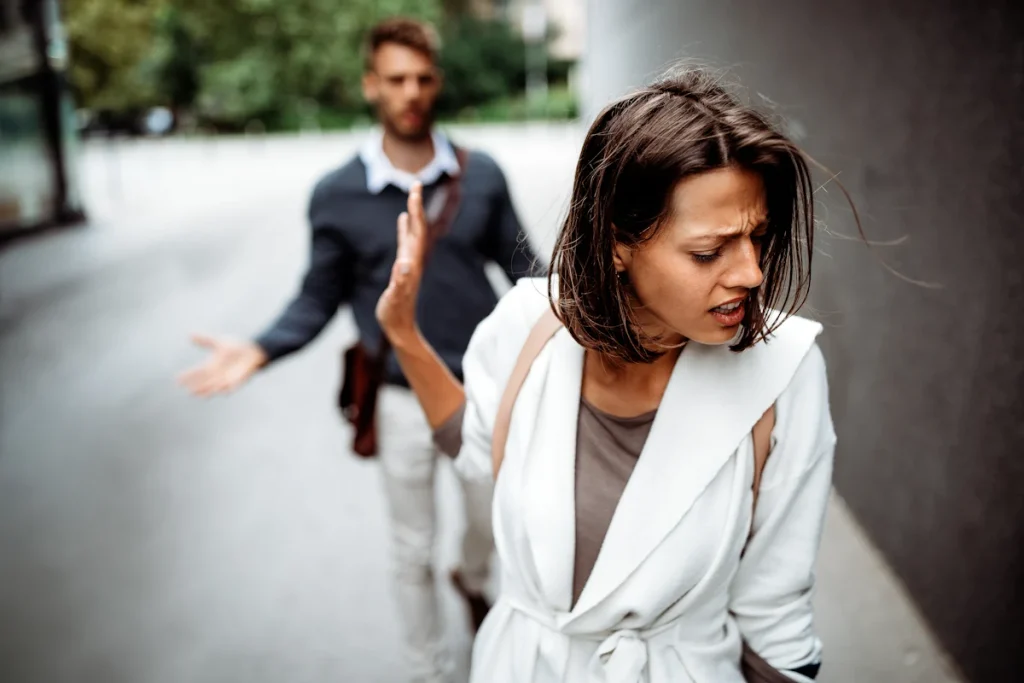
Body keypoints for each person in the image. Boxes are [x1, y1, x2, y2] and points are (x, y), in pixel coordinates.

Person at [374, 68, 838, 683]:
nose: (751, 273)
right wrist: (403, 334)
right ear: (618, 240)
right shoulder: (530, 322)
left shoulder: (786, 370)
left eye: (758, 236)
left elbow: (777, 614)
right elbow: (480, 445)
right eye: (709, 251)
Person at [178, 17, 537, 683]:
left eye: (423, 78)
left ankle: (473, 576)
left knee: (493, 528)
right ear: (371, 85)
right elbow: (316, 297)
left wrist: (598, 316)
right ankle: (427, 670)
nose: (411, 92)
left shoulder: (481, 175)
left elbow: (529, 277)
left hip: (483, 395)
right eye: (396, 79)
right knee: (410, 549)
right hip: (399, 396)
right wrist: (261, 347)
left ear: (438, 83)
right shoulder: (337, 195)